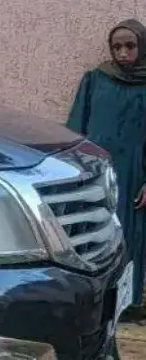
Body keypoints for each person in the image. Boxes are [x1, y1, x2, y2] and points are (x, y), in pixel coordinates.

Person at [66, 19, 146, 310]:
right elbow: (76, 126)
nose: (123, 53)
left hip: (134, 173)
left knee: (128, 238)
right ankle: (92, 300)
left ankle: (125, 303)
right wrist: (73, 167)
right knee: (90, 232)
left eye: (130, 46)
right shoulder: (95, 79)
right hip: (94, 167)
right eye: (117, 47)